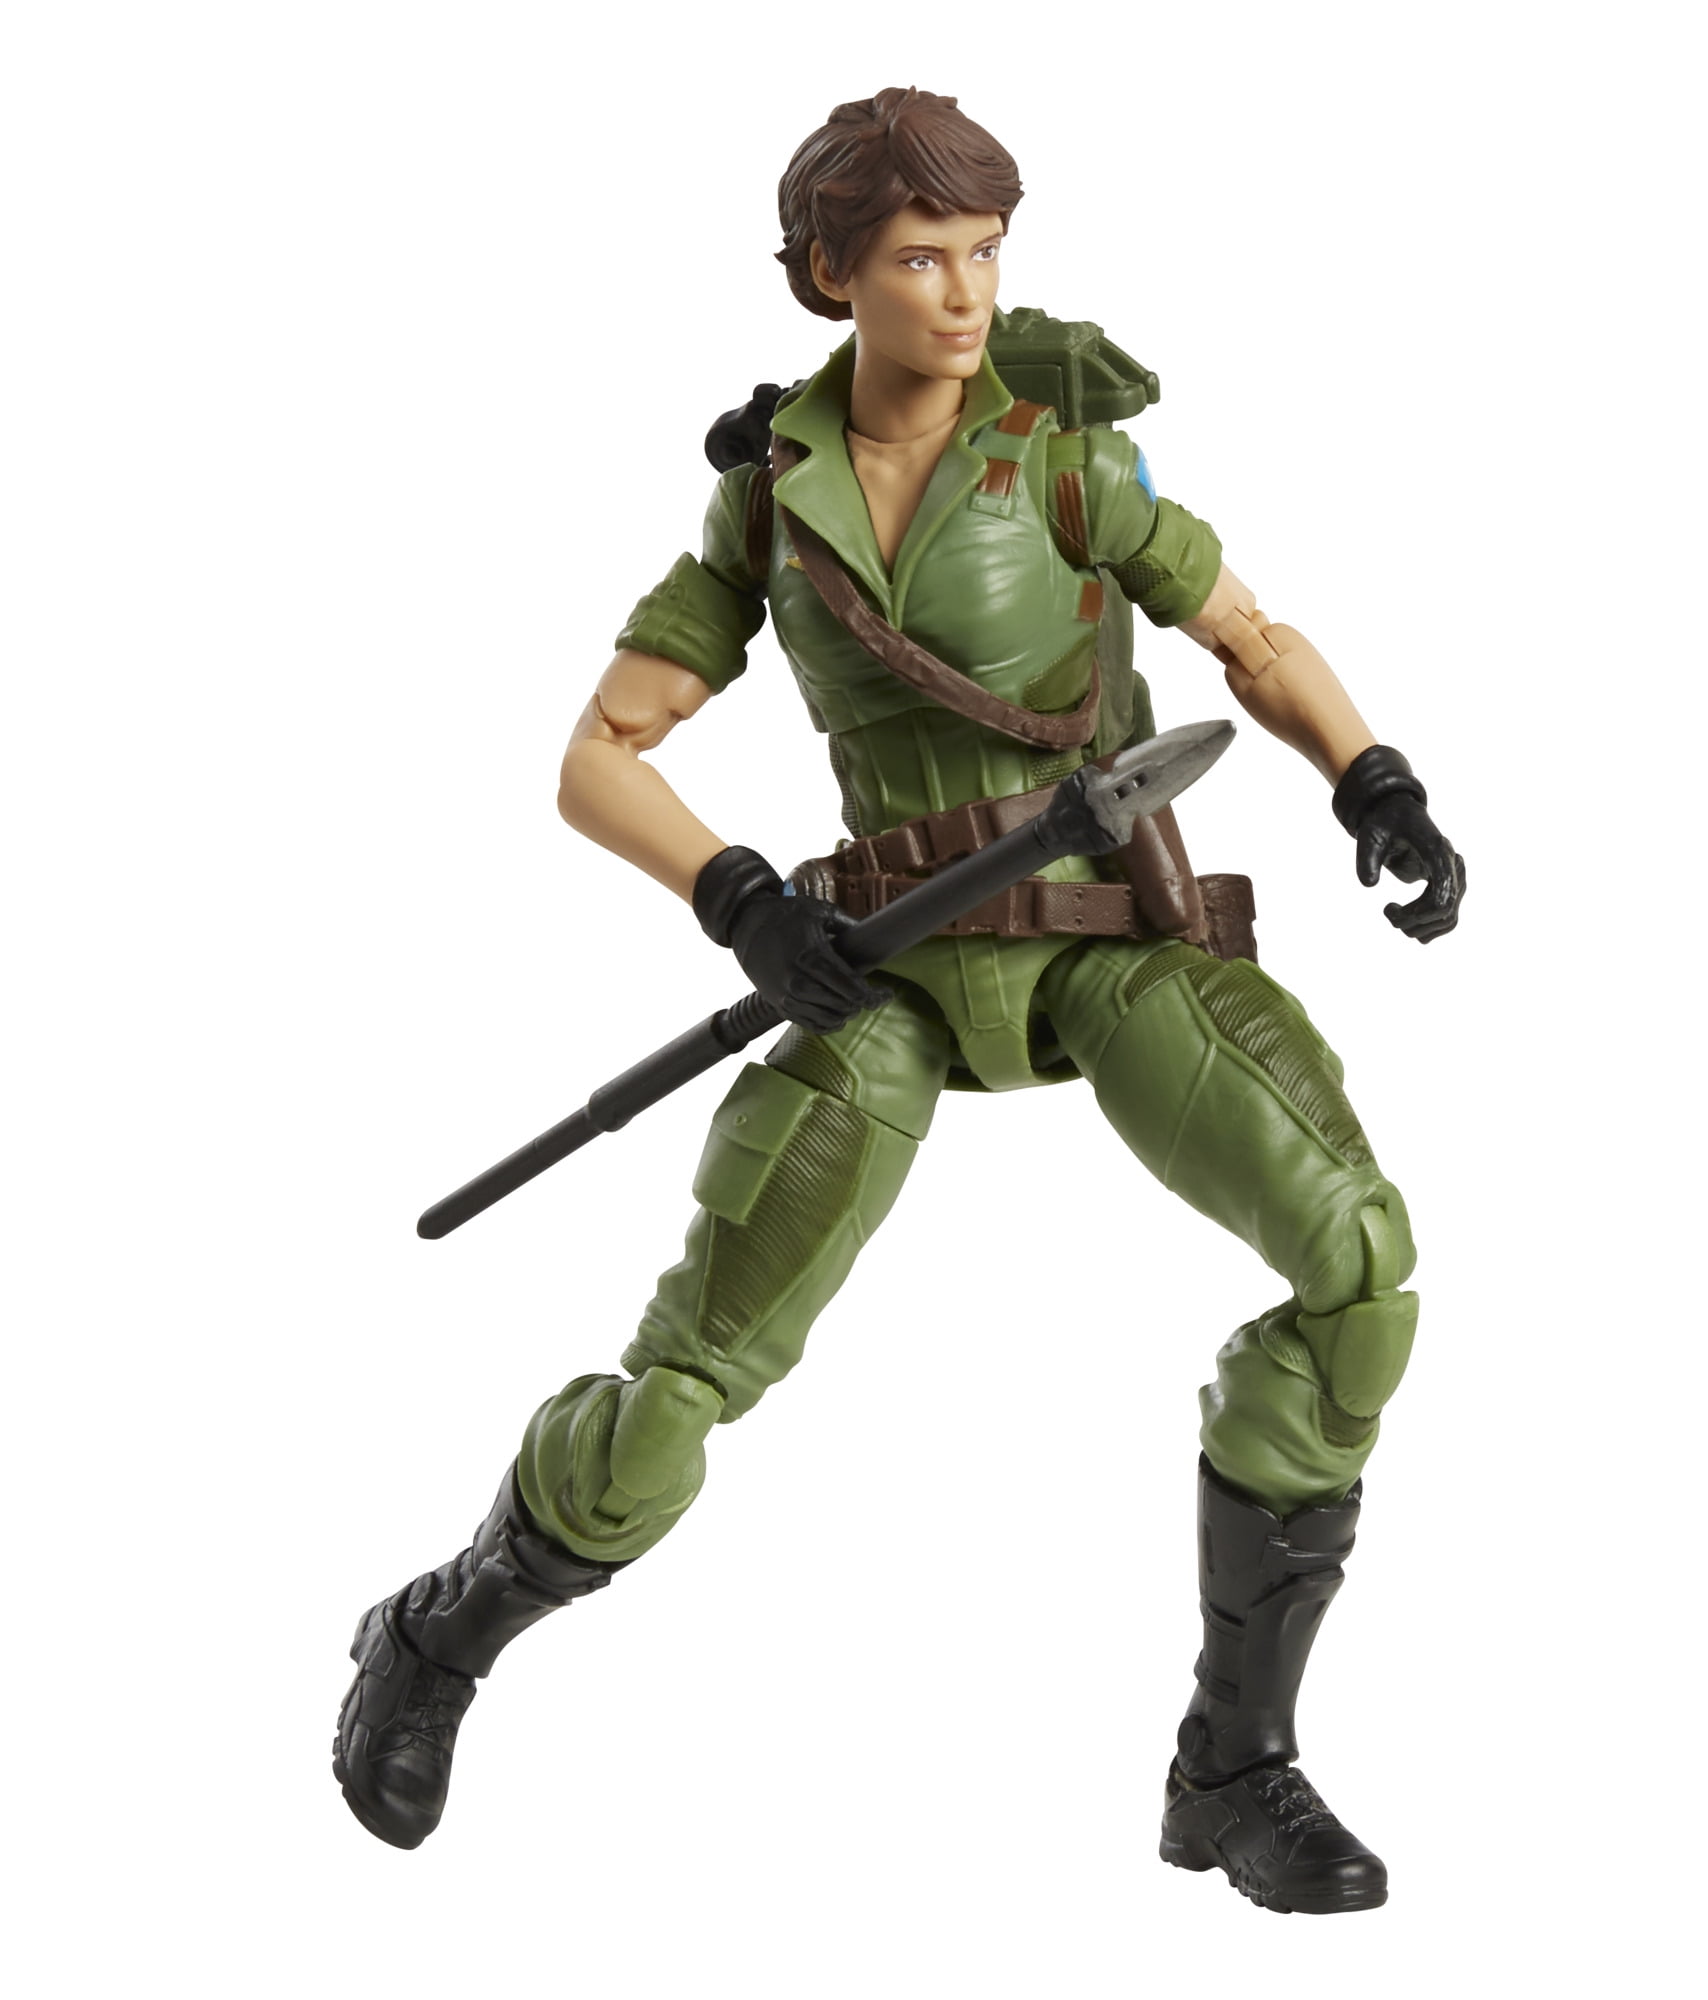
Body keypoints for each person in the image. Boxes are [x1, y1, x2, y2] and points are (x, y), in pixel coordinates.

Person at [333, 86, 1464, 1917]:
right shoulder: (768, 505)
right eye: (924, 258)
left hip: (1105, 943)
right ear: (830, 276)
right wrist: (739, 896)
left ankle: (1234, 1764)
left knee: (1357, 1265)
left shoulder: (1066, 464)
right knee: (685, 1388)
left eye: (986, 252)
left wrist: (1375, 778)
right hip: (891, 972)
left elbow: (1248, 637)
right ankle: (442, 1627)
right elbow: (598, 754)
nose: (965, 292)